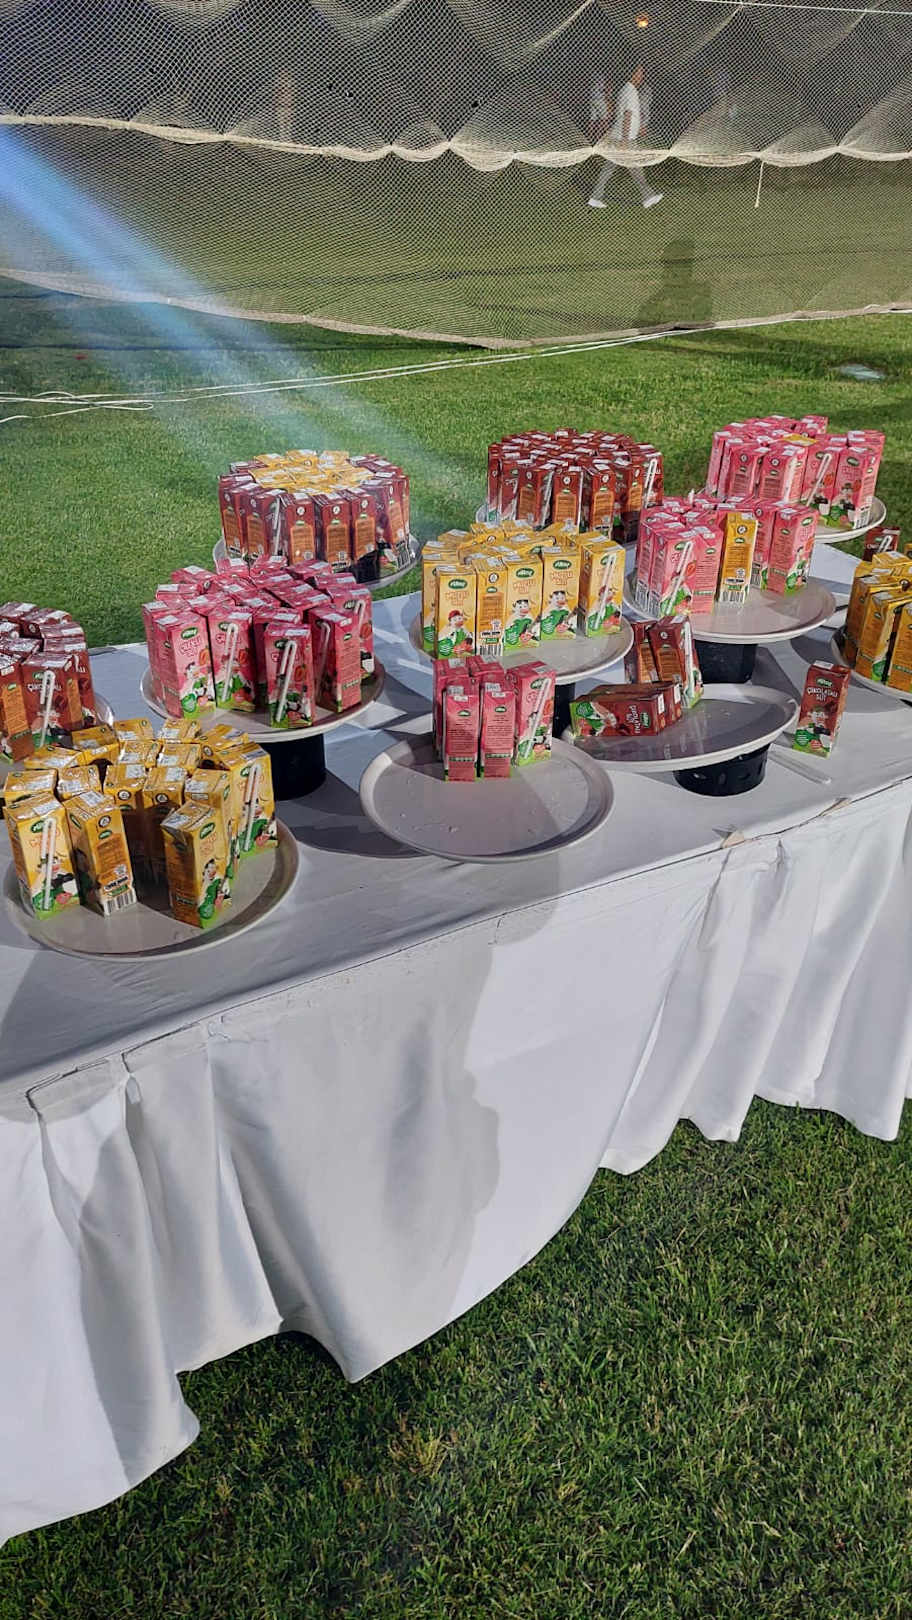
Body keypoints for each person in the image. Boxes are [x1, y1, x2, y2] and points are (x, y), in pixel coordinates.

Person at [589, 64, 663, 211]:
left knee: (610, 167)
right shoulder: (631, 91)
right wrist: (624, 140)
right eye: (640, 72)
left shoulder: (625, 89)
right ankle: (648, 197)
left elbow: (627, 114)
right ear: (633, 74)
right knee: (634, 167)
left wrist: (634, 130)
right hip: (625, 138)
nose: (642, 75)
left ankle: (595, 198)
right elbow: (627, 115)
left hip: (620, 135)